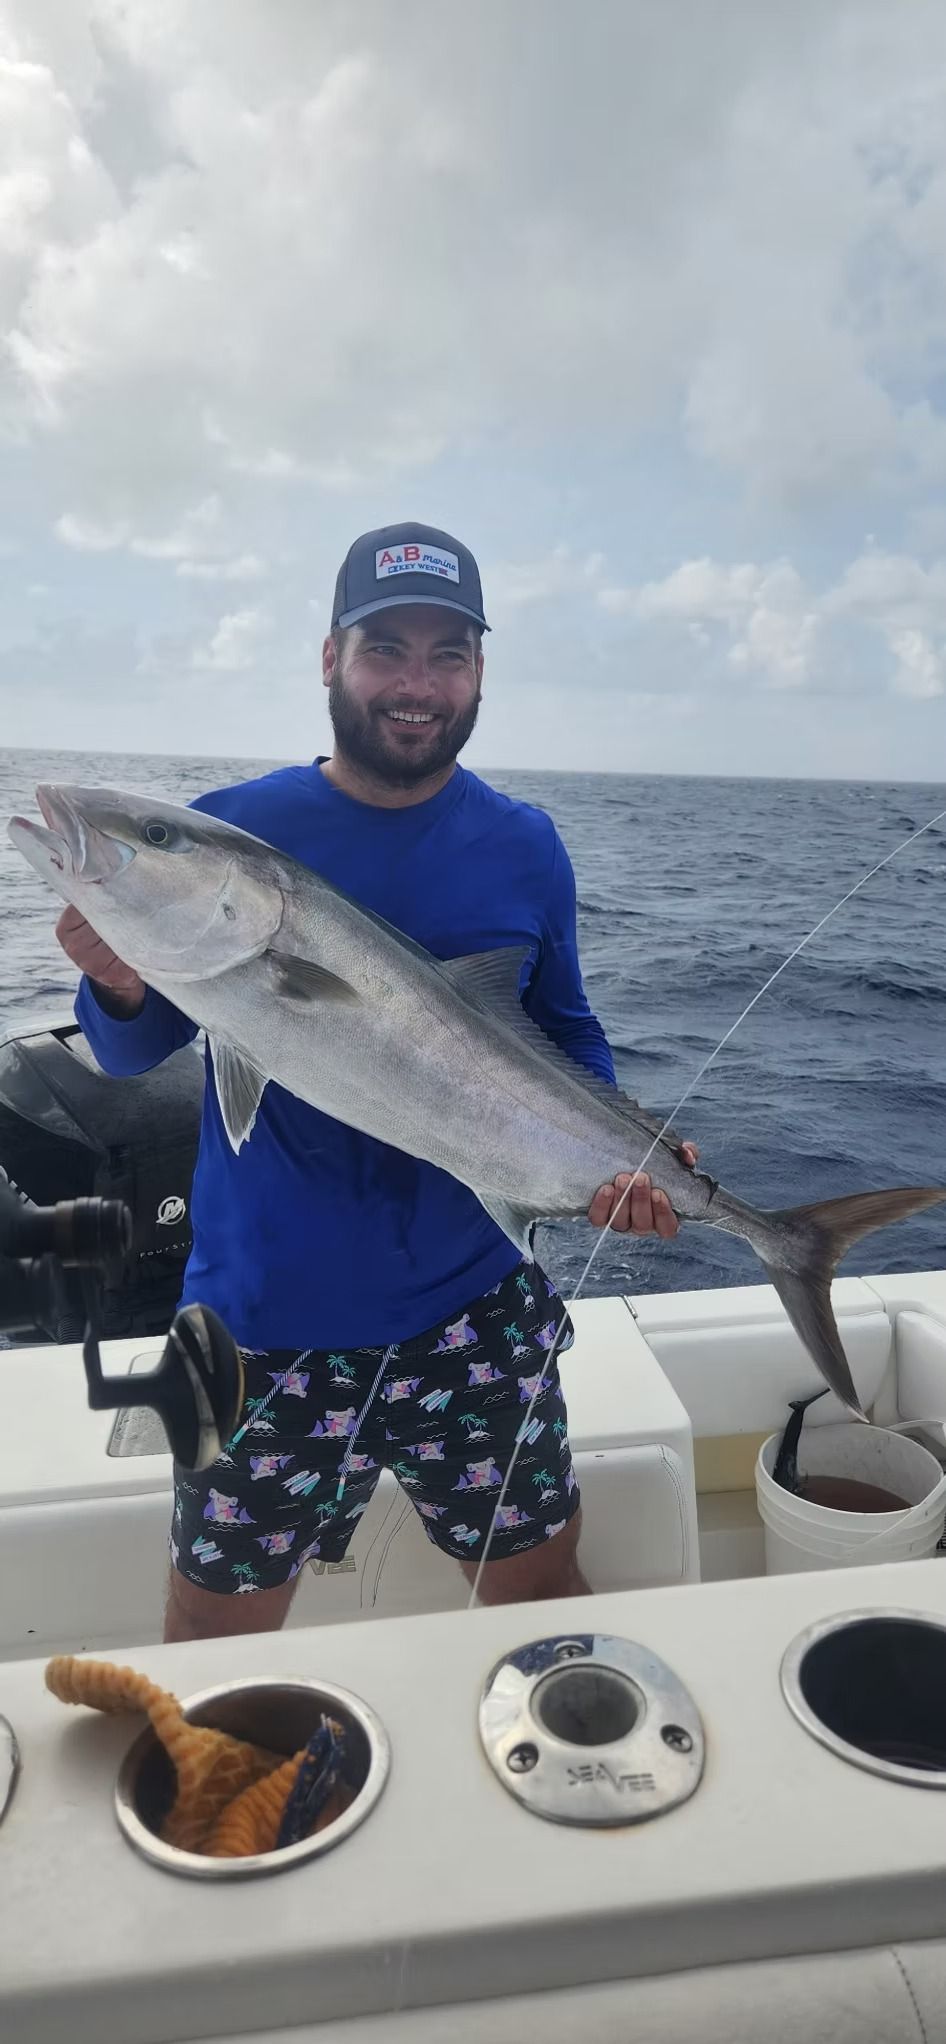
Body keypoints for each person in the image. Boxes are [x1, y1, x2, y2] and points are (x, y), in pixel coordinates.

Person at [56, 521, 696, 1640]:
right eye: (385, 649)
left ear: (480, 672)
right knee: (214, 1638)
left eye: (447, 654)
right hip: (258, 1326)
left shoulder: (524, 845)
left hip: (477, 1309)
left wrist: (622, 1157)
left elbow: (568, 1035)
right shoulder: (238, 830)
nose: (416, 684)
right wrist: (114, 981)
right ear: (329, 659)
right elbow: (127, 1051)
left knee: (541, 1597)